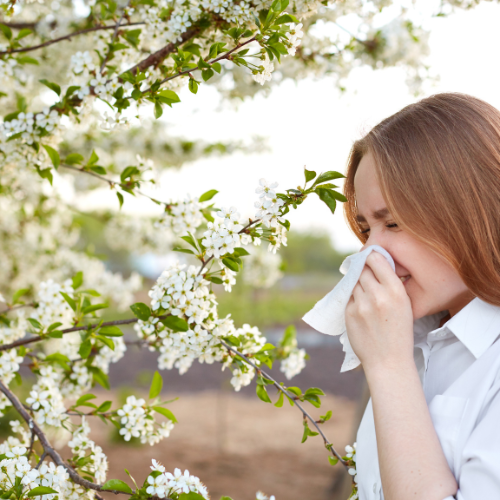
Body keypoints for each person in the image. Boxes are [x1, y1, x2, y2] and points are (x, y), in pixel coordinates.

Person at [342, 93, 500, 500]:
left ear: (472, 209)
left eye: (392, 223)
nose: (370, 254)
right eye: (365, 229)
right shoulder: (415, 340)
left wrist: (389, 368)